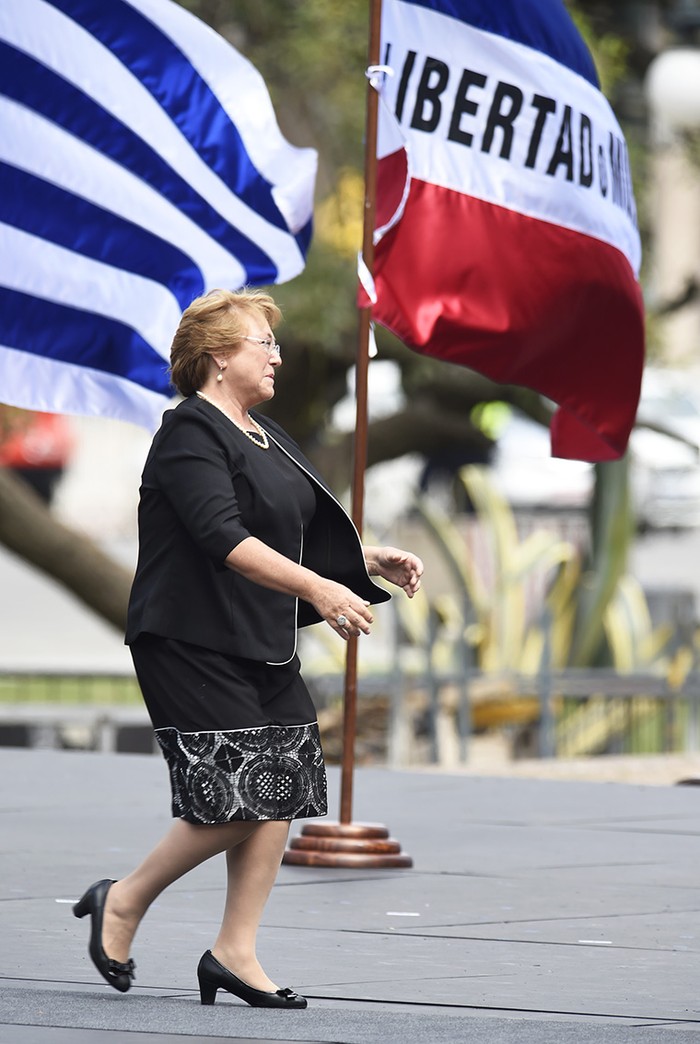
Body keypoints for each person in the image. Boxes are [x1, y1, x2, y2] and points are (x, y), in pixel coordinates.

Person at [73, 288, 423, 1010]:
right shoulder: (189, 434)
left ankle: (235, 951)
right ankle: (124, 900)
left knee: (283, 787)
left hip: (256, 636)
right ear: (217, 356)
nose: (278, 355)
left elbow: (290, 526)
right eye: (263, 342)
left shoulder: (264, 434)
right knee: (238, 796)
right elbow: (225, 537)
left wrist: (364, 559)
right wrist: (324, 593)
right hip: (189, 639)